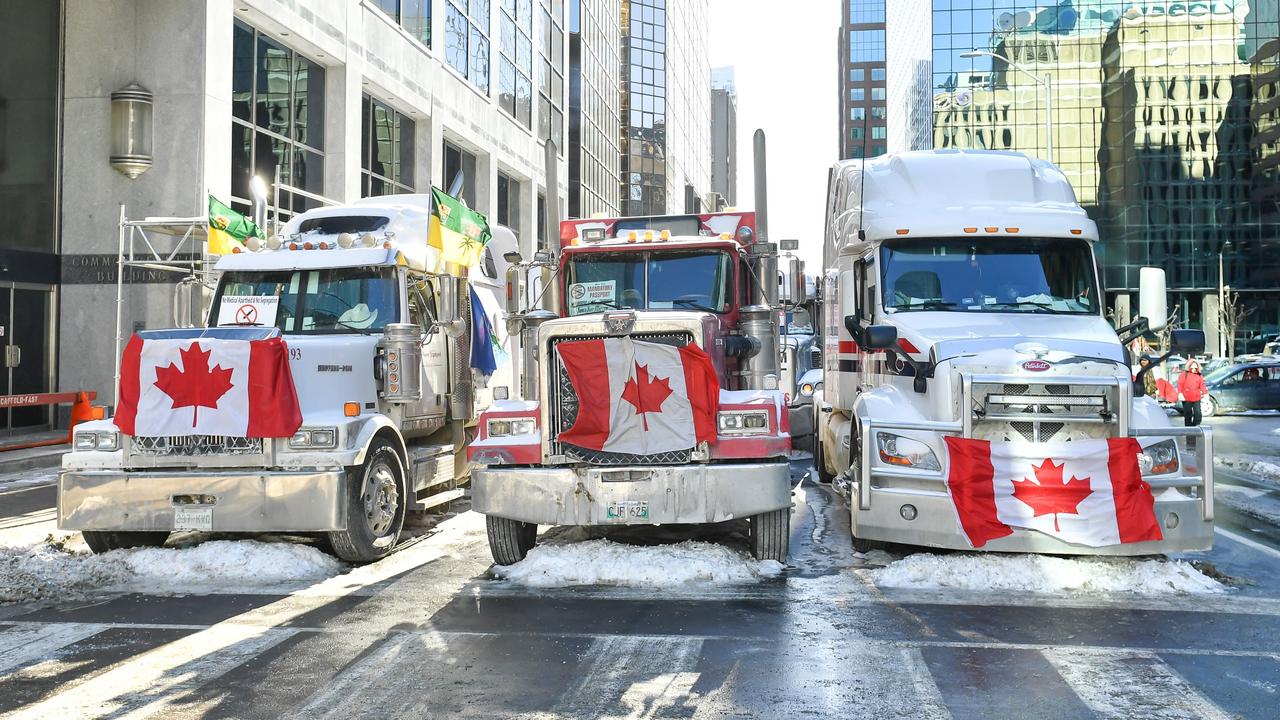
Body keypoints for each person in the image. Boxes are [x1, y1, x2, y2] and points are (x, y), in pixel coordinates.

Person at [1178, 361, 1207, 427]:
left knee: (1198, 414)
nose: (1194, 369)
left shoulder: (1199, 375)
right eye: (1192, 367)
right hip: (1186, 398)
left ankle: (1195, 427)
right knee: (1188, 415)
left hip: (1196, 397)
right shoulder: (1184, 374)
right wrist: (1180, 393)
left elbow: (1202, 385)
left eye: (1195, 368)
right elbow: (1180, 384)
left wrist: (1205, 393)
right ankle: (1188, 430)